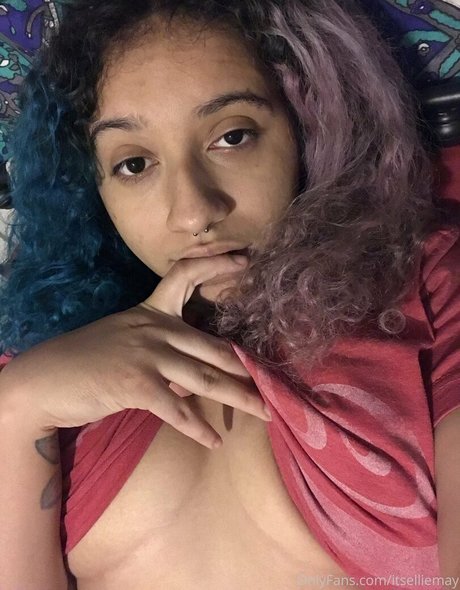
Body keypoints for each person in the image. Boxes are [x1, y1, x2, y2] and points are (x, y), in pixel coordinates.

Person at [1, 0, 460, 588]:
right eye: (135, 164)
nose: (194, 213)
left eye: (232, 136)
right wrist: (18, 407)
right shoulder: (46, 357)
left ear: (310, 124)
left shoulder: (419, 276)